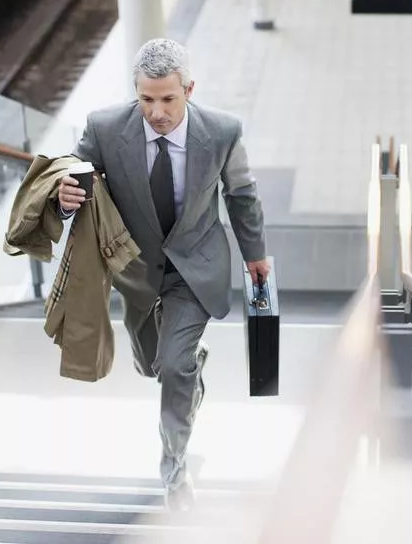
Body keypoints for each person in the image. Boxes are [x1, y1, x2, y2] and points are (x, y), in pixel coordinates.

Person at [58, 38, 269, 511]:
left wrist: (256, 255)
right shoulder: (106, 128)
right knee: (153, 363)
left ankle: (174, 467)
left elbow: (241, 194)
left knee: (175, 366)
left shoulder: (222, 132)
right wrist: (63, 194)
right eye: (146, 99)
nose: (156, 111)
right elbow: (73, 170)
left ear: (189, 89)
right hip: (135, 270)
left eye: (167, 99)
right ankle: (189, 363)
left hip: (195, 268)